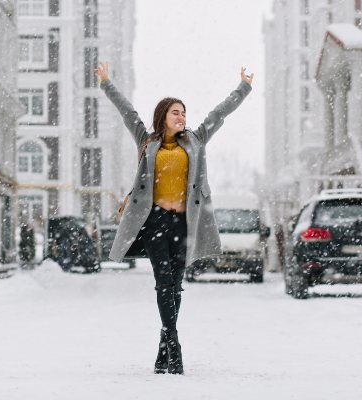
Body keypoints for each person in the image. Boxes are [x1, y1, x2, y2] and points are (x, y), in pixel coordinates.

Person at [94, 61, 253, 375]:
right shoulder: (147, 141)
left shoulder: (195, 140)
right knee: (163, 281)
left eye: (184, 112)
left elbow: (219, 114)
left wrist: (243, 88)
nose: (182, 117)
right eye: (176, 112)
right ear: (163, 117)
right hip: (154, 222)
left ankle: (163, 346)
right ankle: (174, 344)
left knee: (175, 285)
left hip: (185, 224)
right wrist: (106, 83)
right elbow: (128, 112)